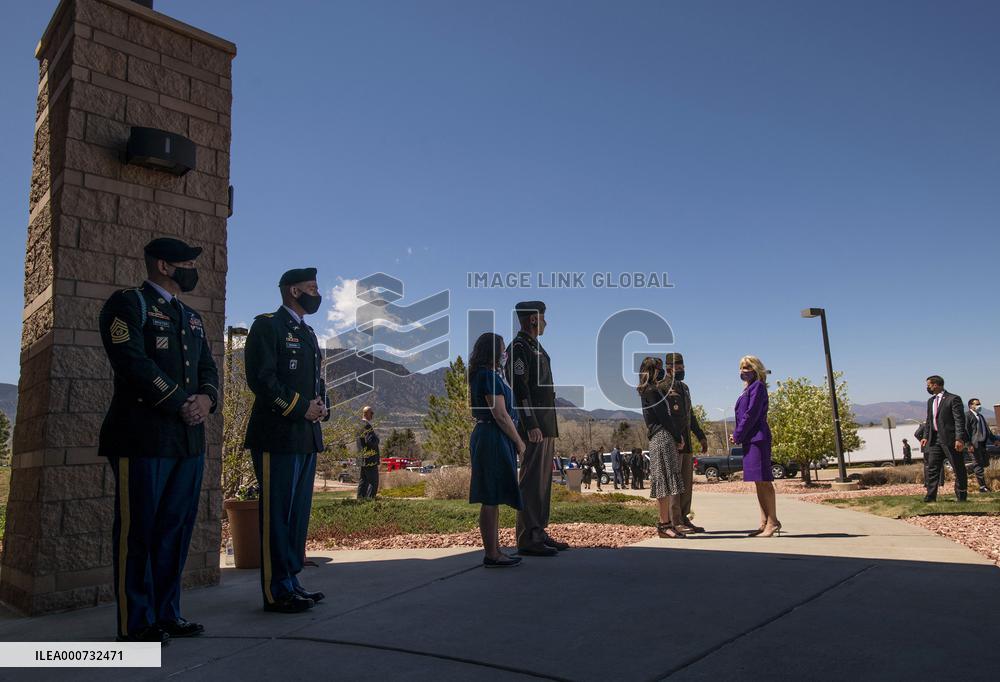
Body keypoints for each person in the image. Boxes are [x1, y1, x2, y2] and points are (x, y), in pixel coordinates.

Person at [98, 237, 219, 644]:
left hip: (187, 442)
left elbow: (207, 367)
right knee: (140, 532)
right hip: (143, 438)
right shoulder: (129, 304)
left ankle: (168, 613)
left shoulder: (191, 317)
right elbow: (132, 363)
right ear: (164, 265)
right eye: (187, 262)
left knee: (175, 530)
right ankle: (137, 624)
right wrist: (181, 402)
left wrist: (206, 399)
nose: (192, 269)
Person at [244, 268, 330, 613]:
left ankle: (292, 581)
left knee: (296, 516)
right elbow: (262, 380)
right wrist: (300, 409)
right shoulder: (267, 326)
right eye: (312, 288)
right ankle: (275, 589)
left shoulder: (306, 332)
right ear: (294, 290)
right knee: (276, 515)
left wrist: (321, 407)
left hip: (305, 437)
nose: (317, 294)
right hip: (277, 434)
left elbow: (314, 382)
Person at [505, 301, 566, 556]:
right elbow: (520, 388)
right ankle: (528, 537)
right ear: (532, 319)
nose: (545, 323)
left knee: (542, 484)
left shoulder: (534, 347)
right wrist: (530, 423)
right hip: (535, 426)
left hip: (545, 424)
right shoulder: (519, 347)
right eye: (542, 318)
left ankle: (539, 531)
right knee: (531, 483)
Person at [468, 333, 524, 567]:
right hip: (493, 437)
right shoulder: (487, 376)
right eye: (502, 350)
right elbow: (500, 414)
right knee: (490, 495)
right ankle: (492, 553)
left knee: (495, 496)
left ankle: (496, 550)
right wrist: (519, 442)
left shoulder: (489, 375)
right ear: (493, 352)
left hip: (494, 437)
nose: (505, 355)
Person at [638, 357, 690, 538]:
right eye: (658, 368)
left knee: (667, 483)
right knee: (664, 482)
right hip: (661, 437)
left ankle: (667, 523)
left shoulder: (651, 390)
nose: (661, 372)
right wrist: (677, 436)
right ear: (652, 371)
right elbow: (664, 417)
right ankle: (663, 524)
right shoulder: (652, 391)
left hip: (662, 437)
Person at [657, 353, 709, 532]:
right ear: (670, 368)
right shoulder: (662, 387)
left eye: (683, 368)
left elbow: (690, 415)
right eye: (679, 368)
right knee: (674, 483)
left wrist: (700, 435)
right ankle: (675, 521)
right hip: (672, 442)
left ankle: (685, 517)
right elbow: (664, 417)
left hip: (686, 441)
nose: (682, 371)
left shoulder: (684, 388)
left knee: (686, 483)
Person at [732, 355, 780, 537]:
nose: (744, 371)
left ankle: (773, 521)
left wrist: (737, 434)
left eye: (747, 367)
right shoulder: (748, 389)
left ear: (756, 369)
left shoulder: (758, 387)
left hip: (757, 438)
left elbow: (751, 414)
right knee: (757, 481)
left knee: (764, 481)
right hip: (749, 439)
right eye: (742, 367)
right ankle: (764, 520)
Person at [920, 375, 968, 502]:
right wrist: (925, 436)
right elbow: (929, 421)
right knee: (932, 468)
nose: (927, 387)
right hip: (934, 440)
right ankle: (930, 496)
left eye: (929, 385)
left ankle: (961, 495)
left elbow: (959, 420)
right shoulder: (930, 401)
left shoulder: (953, 399)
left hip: (950, 439)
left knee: (958, 467)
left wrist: (959, 438)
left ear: (936, 384)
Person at [965, 398, 996, 493]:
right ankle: (982, 487)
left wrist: (994, 440)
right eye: (977, 404)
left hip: (982, 444)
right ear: (971, 406)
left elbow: (987, 430)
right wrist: (969, 444)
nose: (979, 406)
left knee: (985, 463)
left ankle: (970, 469)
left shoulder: (980, 416)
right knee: (978, 464)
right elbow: (965, 431)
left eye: (979, 404)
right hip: (974, 445)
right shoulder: (967, 416)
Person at [356, 406, 380, 498]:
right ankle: (369, 503)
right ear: (365, 413)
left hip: (362, 459)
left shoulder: (358, 425)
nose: (373, 415)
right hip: (370, 459)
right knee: (373, 482)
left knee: (363, 481)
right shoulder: (367, 425)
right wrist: (377, 439)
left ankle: (360, 501)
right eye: (371, 413)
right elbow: (370, 441)